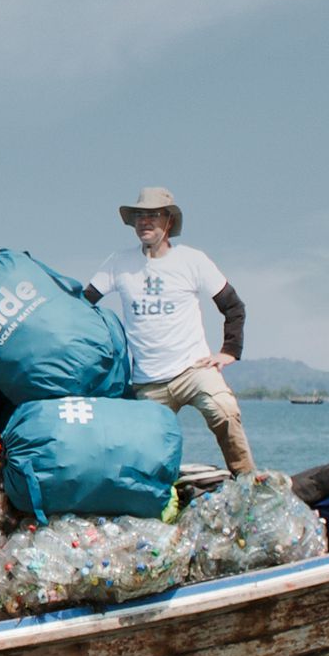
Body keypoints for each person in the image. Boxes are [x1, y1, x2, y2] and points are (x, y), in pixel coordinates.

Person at [87, 187, 256, 474]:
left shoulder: (192, 260)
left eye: (153, 215)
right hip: (148, 382)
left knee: (225, 412)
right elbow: (84, 302)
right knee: (143, 453)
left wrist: (230, 351)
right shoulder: (119, 263)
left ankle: (247, 482)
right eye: (140, 215)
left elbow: (233, 306)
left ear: (168, 221)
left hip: (194, 370)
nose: (145, 222)